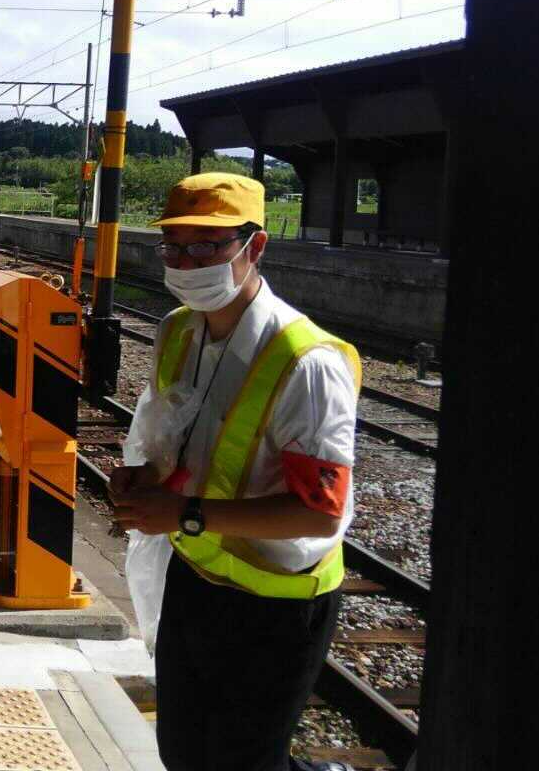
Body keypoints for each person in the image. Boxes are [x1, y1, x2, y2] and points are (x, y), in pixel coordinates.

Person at [110, 172, 361, 771]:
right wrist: (143, 478)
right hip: (195, 578)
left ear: (255, 246)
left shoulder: (307, 363)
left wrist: (187, 514)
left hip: (275, 607)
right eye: (174, 246)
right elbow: (177, 445)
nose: (187, 261)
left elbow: (320, 513)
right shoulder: (177, 333)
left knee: (244, 761)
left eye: (207, 246)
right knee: (184, 751)